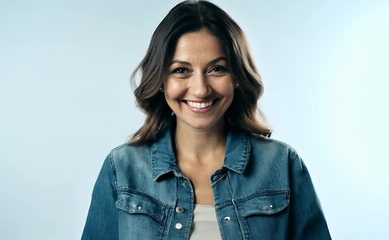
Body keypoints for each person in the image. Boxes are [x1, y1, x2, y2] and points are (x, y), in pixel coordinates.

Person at [82, 1, 331, 239]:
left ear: (236, 76)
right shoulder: (122, 169)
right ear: (161, 80)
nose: (200, 89)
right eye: (181, 70)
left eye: (217, 69)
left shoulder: (282, 165)